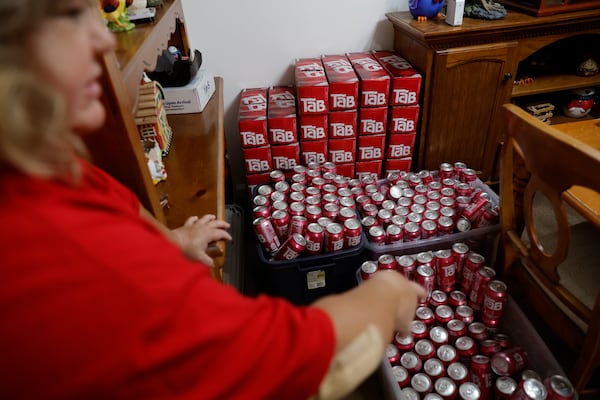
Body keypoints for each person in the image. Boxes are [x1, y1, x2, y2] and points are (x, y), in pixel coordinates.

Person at [0, 1, 426, 399]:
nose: (105, 39)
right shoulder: (56, 247)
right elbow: (287, 358)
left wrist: (173, 243)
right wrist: (384, 296)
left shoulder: (52, 170)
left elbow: (124, 210)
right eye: (73, 14)